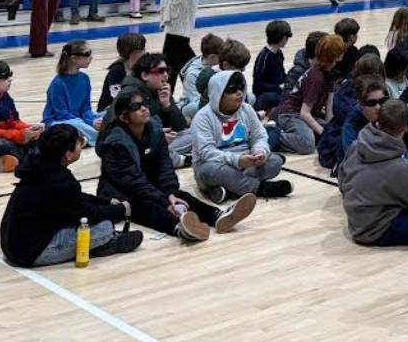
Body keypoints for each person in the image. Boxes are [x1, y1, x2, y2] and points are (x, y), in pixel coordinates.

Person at [98, 86, 257, 242]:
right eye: (135, 106)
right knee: (147, 206)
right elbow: (132, 182)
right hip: (120, 192)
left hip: (149, 183)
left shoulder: (155, 131)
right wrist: (165, 201)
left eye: (145, 103)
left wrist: (170, 193)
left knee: (181, 197)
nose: (144, 108)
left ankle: (219, 216)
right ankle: (181, 229)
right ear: (124, 117)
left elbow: (165, 165)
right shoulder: (115, 144)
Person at [0, 124, 143, 268]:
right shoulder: (61, 180)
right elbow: (87, 214)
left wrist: (105, 202)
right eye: (78, 143)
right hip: (30, 253)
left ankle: (101, 243)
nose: (81, 144)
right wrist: (121, 209)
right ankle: (107, 243)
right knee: (104, 227)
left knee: (97, 218)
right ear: (68, 155)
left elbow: (73, 200)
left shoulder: (36, 164)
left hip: (10, 244)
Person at [338, 100, 408, 246]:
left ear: (378, 123)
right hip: (376, 230)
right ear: (407, 128)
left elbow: (342, 182)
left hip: (357, 221)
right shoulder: (399, 166)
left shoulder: (355, 146)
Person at [192, 70, 293, 202]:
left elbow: (259, 136)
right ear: (218, 94)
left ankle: (228, 189)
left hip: (246, 162)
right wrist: (237, 160)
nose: (239, 92)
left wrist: (260, 151)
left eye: (240, 87)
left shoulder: (247, 109)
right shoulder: (203, 118)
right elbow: (207, 153)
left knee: (275, 162)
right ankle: (261, 188)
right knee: (213, 171)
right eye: (232, 90)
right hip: (216, 165)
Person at [271, 34, 346, 155]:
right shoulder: (316, 78)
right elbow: (304, 113)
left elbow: (329, 107)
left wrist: (329, 129)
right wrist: (323, 132)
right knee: (307, 144)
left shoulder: (329, 73)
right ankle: (274, 135)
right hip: (291, 114)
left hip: (307, 114)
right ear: (335, 56)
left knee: (336, 132)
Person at [45, 40, 102, 142]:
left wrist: (92, 120)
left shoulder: (85, 78)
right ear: (74, 58)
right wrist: (86, 123)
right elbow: (61, 114)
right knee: (75, 125)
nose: (91, 57)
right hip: (59, 121)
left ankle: (83, 139)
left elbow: (86, 107)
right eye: (87, 54)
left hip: (80, 119)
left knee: (107, 114)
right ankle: (100, 137)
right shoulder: (58, 83)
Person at [98, 32, 147, 113]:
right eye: (142, 48)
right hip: (111, 110)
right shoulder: (116, 71)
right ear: (132, 52)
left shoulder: (144, 67)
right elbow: (118, 99)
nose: (144, 51)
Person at [253, 20, 292, 112]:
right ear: (282, 38)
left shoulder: (279, 53)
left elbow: (281, 74)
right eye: (286, 38)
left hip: (277, 90)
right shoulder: (264, 57)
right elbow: (258, 84)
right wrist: (278, 87)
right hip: (265, 95)